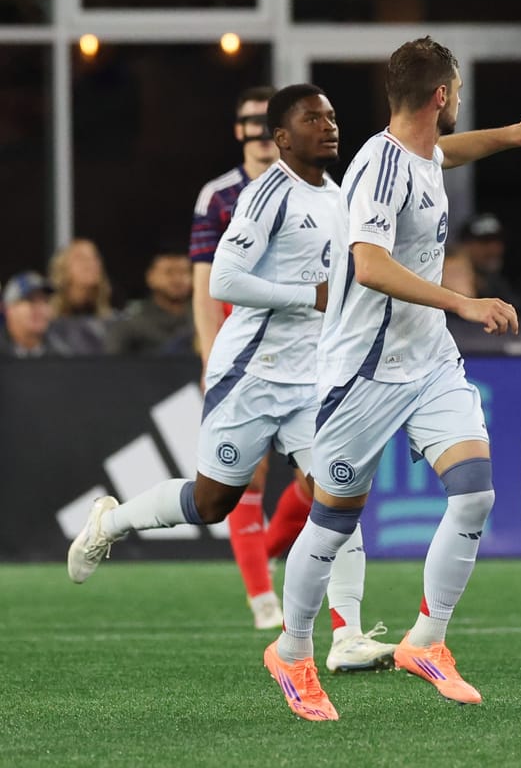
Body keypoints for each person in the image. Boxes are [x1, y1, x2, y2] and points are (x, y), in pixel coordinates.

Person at [261, 36, 521, 722]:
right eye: (457, 90)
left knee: (474, 494)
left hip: (429, 362)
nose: (458, 100)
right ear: (442, 95)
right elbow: (371, 263)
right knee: (330, 519)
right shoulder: (378, 167)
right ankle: (291, 650)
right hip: (364, 372)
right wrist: (463, 301)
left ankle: (427, 640)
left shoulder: (422, 150)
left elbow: (449, 151)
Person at [67, 84, 397, 675]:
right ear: (282, 138)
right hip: (249, 374)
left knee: (339, 491)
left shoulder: (341, 196)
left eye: (332, 115)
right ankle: (109, 522)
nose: (328, 126)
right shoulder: (264, 195)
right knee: (210, 501)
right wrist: (309, 296)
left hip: (310, 379)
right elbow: (224, 279)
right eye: (311, 118)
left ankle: (346, 636)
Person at [189, 85, 312, 630]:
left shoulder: (313, 189)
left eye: (269, 122)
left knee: (318, 480)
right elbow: (204, 286)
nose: (260, 133)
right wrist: (212, 358)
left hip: (304, 351)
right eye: (251, 122)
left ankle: (259, 555)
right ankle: (264, 599)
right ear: (239, 130)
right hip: (245, 351)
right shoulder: (219, 196)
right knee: (249, 474)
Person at [105, 249, 194, 356]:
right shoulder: (133, 322)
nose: (178, 279)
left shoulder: (202, 320)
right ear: (150, 277)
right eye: (169, 272)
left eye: (184, 272)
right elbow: (111, 363)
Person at [46, 238, 113, 356]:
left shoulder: (112, 322)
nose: (91, 263)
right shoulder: (48, 323)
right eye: (81, 258)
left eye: (95, 257)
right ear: (63, 267)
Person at [0, 271, 61, 358]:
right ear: (8, 309)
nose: (41, 308)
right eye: (31, 300)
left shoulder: (63, 353)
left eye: (45, 301)